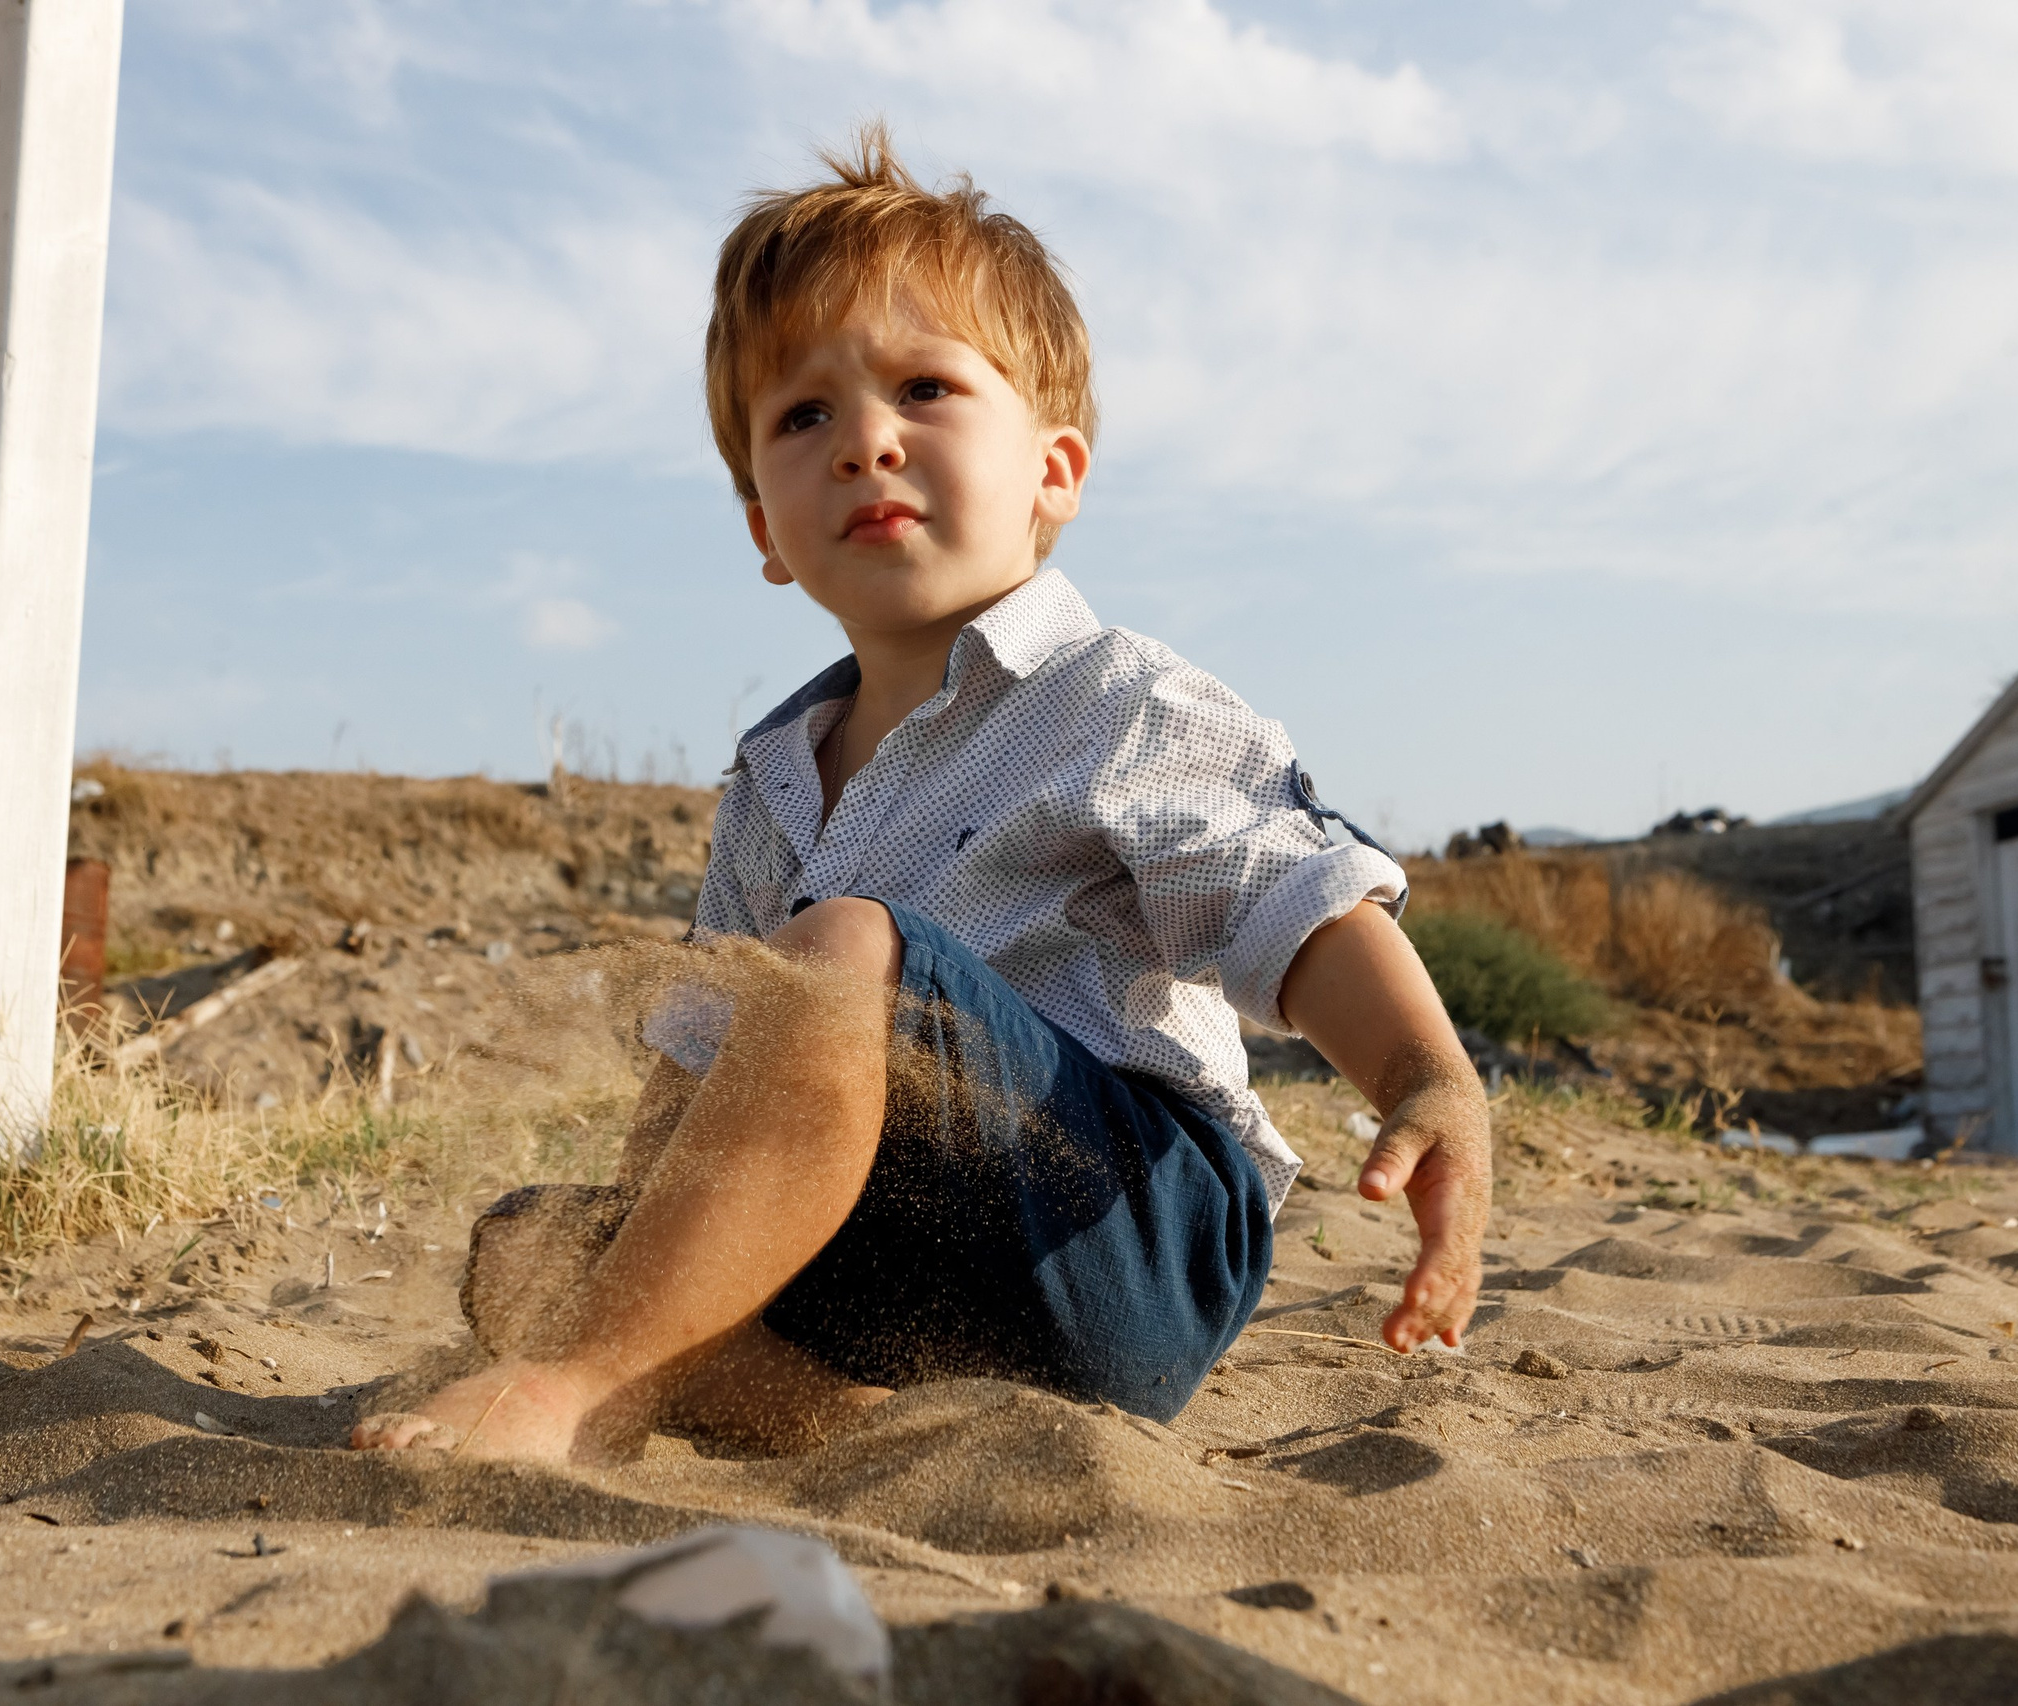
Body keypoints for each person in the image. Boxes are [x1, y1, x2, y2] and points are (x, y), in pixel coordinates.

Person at [354, 128, 1489, 1464]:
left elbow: (1287, 903)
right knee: (528, 1247)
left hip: (1114, 1229)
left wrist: (1430, 1079)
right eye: (804, 416)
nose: (864, 443)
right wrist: (619, 1248)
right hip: (888, 1259)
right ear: (766, 530)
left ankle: (585, 1389)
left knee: (844, 945)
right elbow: (700, 1074)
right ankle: (854, 1427)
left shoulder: (1114, 699)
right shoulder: (772, 784)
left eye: (925, 389)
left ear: (1052, 471)